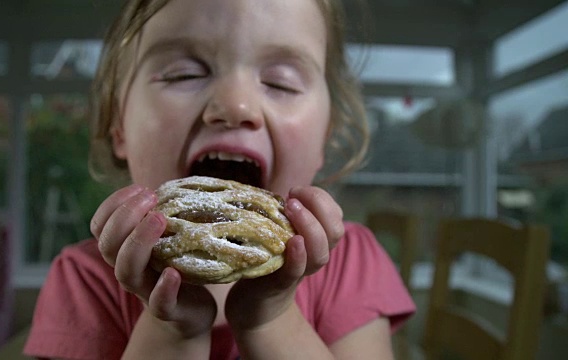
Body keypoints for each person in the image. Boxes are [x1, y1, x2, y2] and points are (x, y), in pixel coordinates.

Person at [24, 0, 416, 358]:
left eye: (281, 82)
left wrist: (270, 320)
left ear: (323, 141)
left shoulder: (352, 265)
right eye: (183, 74)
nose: (235, 105)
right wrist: (172, 330)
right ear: (119, 128)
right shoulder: (83, 281)